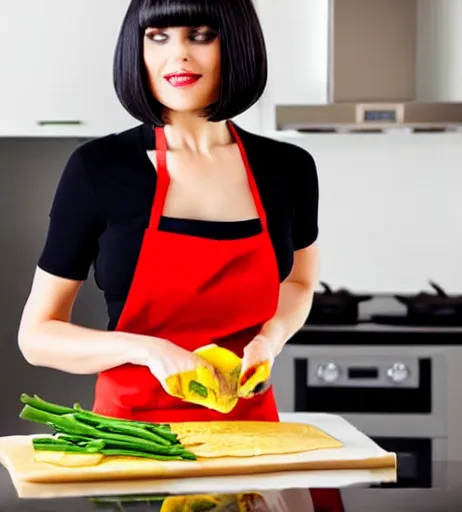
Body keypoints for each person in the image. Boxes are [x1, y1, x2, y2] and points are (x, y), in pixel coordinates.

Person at [17, 0, 319, 423]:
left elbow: (300, 282)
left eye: (200, 35)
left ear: (236, 43)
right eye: (158, 37)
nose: (178, 54)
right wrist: (147, 349)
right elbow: (37, 336)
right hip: (135, 438)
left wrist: (270, 338)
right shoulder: (99, 168)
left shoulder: (288, 168)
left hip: (252, 434)